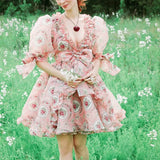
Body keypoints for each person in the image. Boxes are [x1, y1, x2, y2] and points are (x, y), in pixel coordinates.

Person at [16, 0, 126, 159]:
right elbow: (39, 60)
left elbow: (97, 56)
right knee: (66, 149)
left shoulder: (92, 23)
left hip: (85, 89)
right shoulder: (50, 24)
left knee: (80, 145)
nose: (61, 1)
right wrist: (64, 76)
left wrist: (95, 71)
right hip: (61, 91)